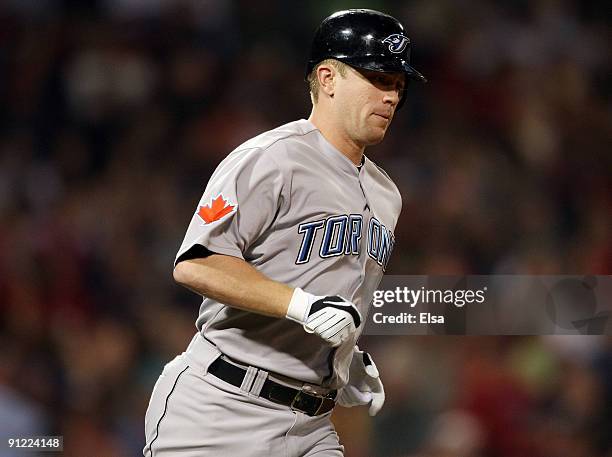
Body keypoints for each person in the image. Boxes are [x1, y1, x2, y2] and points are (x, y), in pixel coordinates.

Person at [143, 8, 426, 457]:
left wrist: (345, 361)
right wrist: (301, 307)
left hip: (312, 423)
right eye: (378, 78)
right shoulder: (271, 159)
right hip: (223, 408)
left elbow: (334, 293)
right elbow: (197, 264)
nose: (391, 96)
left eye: (398, 84)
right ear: (328, 78)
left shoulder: (387, 194)